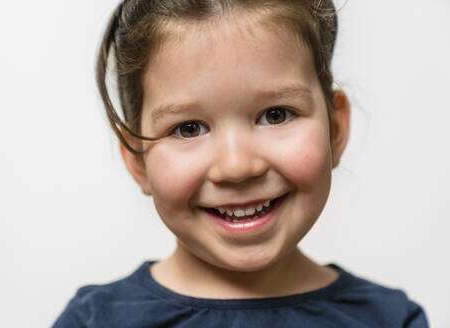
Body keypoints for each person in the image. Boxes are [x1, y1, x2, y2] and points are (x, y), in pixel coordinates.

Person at [53, 0, 428, 327]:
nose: (237, 167)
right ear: (138, 160)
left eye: (276, 115)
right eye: (188, 128)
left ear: (334, 130)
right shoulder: (93, 321)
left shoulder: (392, 320)